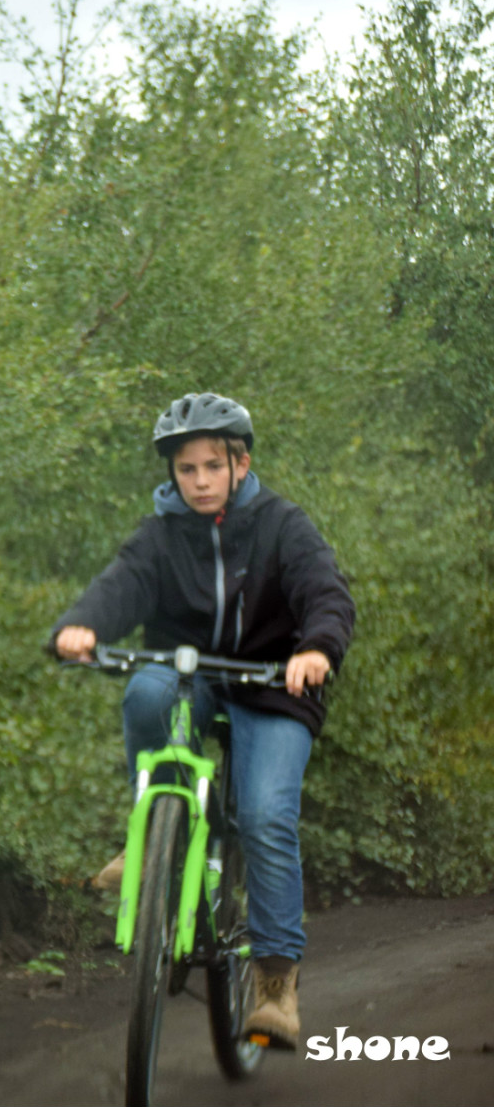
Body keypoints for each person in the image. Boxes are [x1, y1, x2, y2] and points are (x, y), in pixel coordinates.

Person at [51, 392, 352, 1048]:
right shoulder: (160, 534)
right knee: (146, 694)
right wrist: (80, 625)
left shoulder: (282, 524)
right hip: (188, 673)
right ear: (173, 473)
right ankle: (153, 829)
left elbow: (325, 590)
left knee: (267, 815)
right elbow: (120, 584)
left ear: (240, 463)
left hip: (274, 683)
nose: (200, 481)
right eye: (187, 470)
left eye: (213, 465)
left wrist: (315, 648)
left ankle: (275, 982)